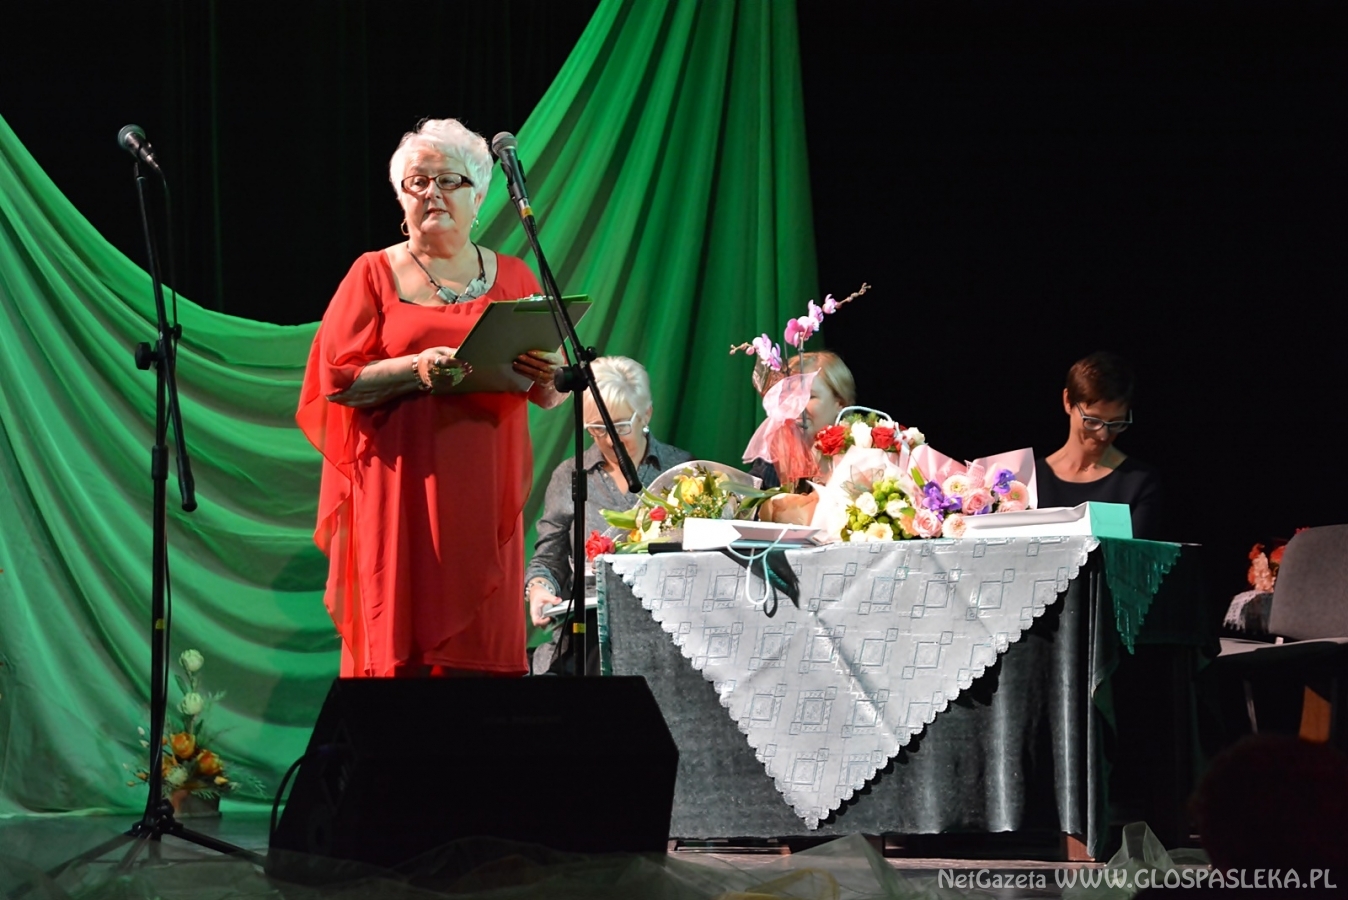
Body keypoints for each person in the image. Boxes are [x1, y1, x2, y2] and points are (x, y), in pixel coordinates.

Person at [297, 118, 565, 678]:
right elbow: (337, 380)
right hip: (401, 496)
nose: (432, 193)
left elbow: (549, 395)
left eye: (448, 181)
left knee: (481, 676)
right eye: (418, 182)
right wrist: (415, 369)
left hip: (484, 499)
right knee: (405, 671)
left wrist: (548, 375)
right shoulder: (372, 273)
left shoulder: (516, 276)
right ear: (402, 197)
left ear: (478, 197)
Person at [525, 356, 691, 674]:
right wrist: (539, 589)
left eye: (621, 427)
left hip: (664, 628)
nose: (609, 440)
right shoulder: (570, 476)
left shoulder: (681, 470)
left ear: (646, 414)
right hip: (590, 632)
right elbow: (548, 558)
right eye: (598, 429)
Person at [1036, 351, 1163, 539]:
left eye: (1116, 423)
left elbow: (1134, 555)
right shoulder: (1030, 480)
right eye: (1092, 420)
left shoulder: (1139, 482)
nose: (1103, 435)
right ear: (1068, 401)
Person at [749, 351, 856, 524]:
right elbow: (749, 506)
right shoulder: (775, 451)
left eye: (809, 396)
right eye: (791, 397)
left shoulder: (861, 450)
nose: (797, 406)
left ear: (840, 403)